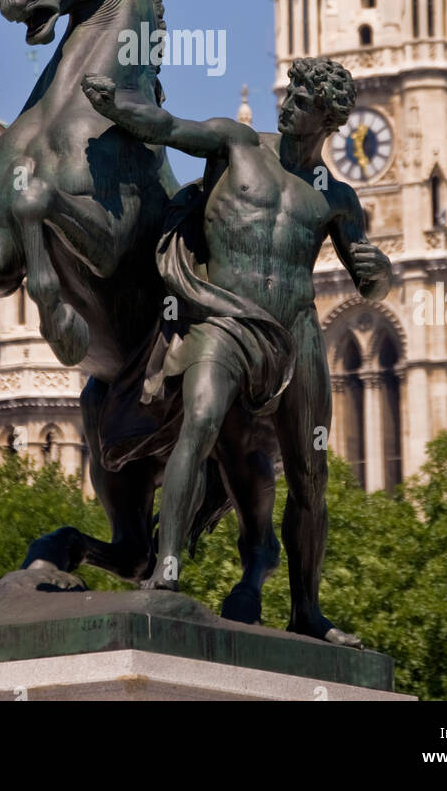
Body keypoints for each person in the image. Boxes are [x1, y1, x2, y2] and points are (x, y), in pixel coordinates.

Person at [82, 56, 392, 644]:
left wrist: (383, 273)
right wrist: (118, 106)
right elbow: (169, 128)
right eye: (291, 93)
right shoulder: (237, 144)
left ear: (327, 119)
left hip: (294, 336)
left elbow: (367, 282)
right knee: (198, 424)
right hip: (223, 318)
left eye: (303, 101)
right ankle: (166, 566)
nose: (289, 103)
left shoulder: (338, 198)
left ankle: (306, 610)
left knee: (310, 476)